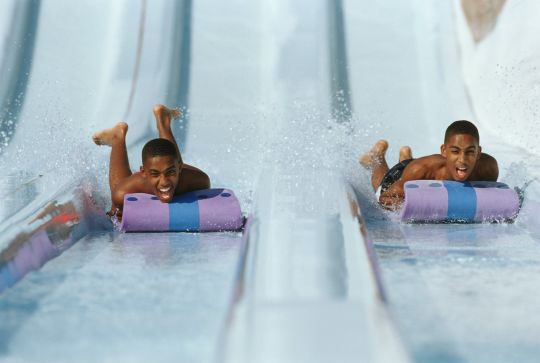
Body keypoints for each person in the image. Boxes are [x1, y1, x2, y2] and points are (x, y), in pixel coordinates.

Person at [92, 104, 210, 219]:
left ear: (180, 168)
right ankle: (117, 137)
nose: (164, 182)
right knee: (117, 189)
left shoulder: (199, 181)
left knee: (168, 156)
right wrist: (116, 212)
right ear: (143, 172)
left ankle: (163, 121)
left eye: (170, 172)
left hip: (177, 170)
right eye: (155, 174)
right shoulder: (125, 192)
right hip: (138, 182)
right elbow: (115, 219)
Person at [360, 120, 498, 210]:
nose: (462, 159)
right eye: (455, 151)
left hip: (414, 169)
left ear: (478, 153)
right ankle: (376, 156)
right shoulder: (422, 170)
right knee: (379, 185)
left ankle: (405, 156)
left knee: (409, 167)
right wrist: (417, 205)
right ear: (444, 151)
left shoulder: (488, 169)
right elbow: (384, 198)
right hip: (406, 174)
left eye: (470, 152)